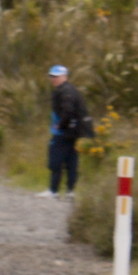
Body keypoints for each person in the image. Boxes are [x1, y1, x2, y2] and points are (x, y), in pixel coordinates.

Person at [37, 65, 90, 199]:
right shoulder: (72, 90)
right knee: (71, 161)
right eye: (52, 76)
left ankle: (53, 190)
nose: (53, 79)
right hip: (72, 133)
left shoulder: (65, 91)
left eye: (56, 76)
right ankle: (70, 192)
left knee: (56, 160)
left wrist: (60, 125)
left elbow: (68, 111)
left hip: (63, 133)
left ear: (64, 77)